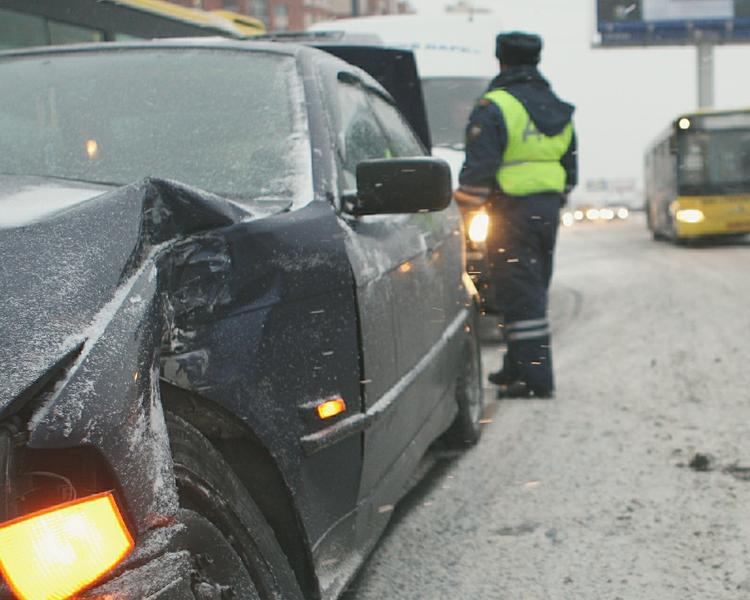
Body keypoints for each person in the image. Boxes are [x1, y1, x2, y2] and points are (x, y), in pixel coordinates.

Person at [455, 31, 577, 398]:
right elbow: (570, 173)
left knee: (519, 295)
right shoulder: (558, 108)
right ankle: (516, 365)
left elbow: (478, 175)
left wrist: (456, 210)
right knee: (530, 288)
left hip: (509, 213)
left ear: (501, 60)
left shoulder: (495, 106)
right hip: (546, 211)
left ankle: (535, 379)